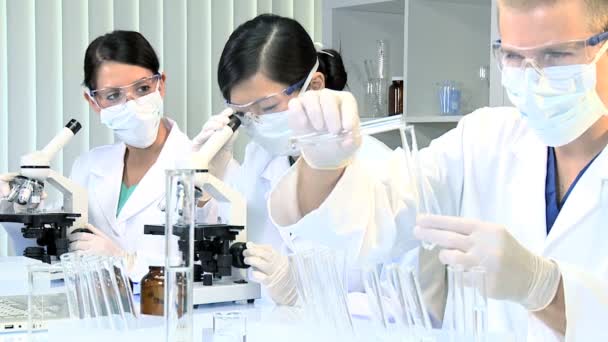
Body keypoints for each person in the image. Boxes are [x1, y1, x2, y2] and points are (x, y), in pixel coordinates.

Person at [266, 0, 608, 340]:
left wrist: (545, 288)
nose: (533, 79)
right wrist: (322, 164)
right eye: (514, 57)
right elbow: (373, 218)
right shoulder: (484, 140)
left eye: (557, 55)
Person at [196, 14, 400, 305]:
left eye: (267, 106)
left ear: (315, 85)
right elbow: (231, 255)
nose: (256, 122)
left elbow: (400, 302)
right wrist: (208, 185)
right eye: (242, 113)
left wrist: (301, 294)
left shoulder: (378, 166)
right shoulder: (260, 158)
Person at [67, 30, 210, 281]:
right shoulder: (87, 167)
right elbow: (60, 253)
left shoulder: (203, 165)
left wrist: (125, 263)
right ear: (93, 102)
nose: (132, 104)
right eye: (113, 96)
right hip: (104, 315)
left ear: (161, 84)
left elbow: (207, 269)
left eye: (143, 89)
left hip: (170, 315)